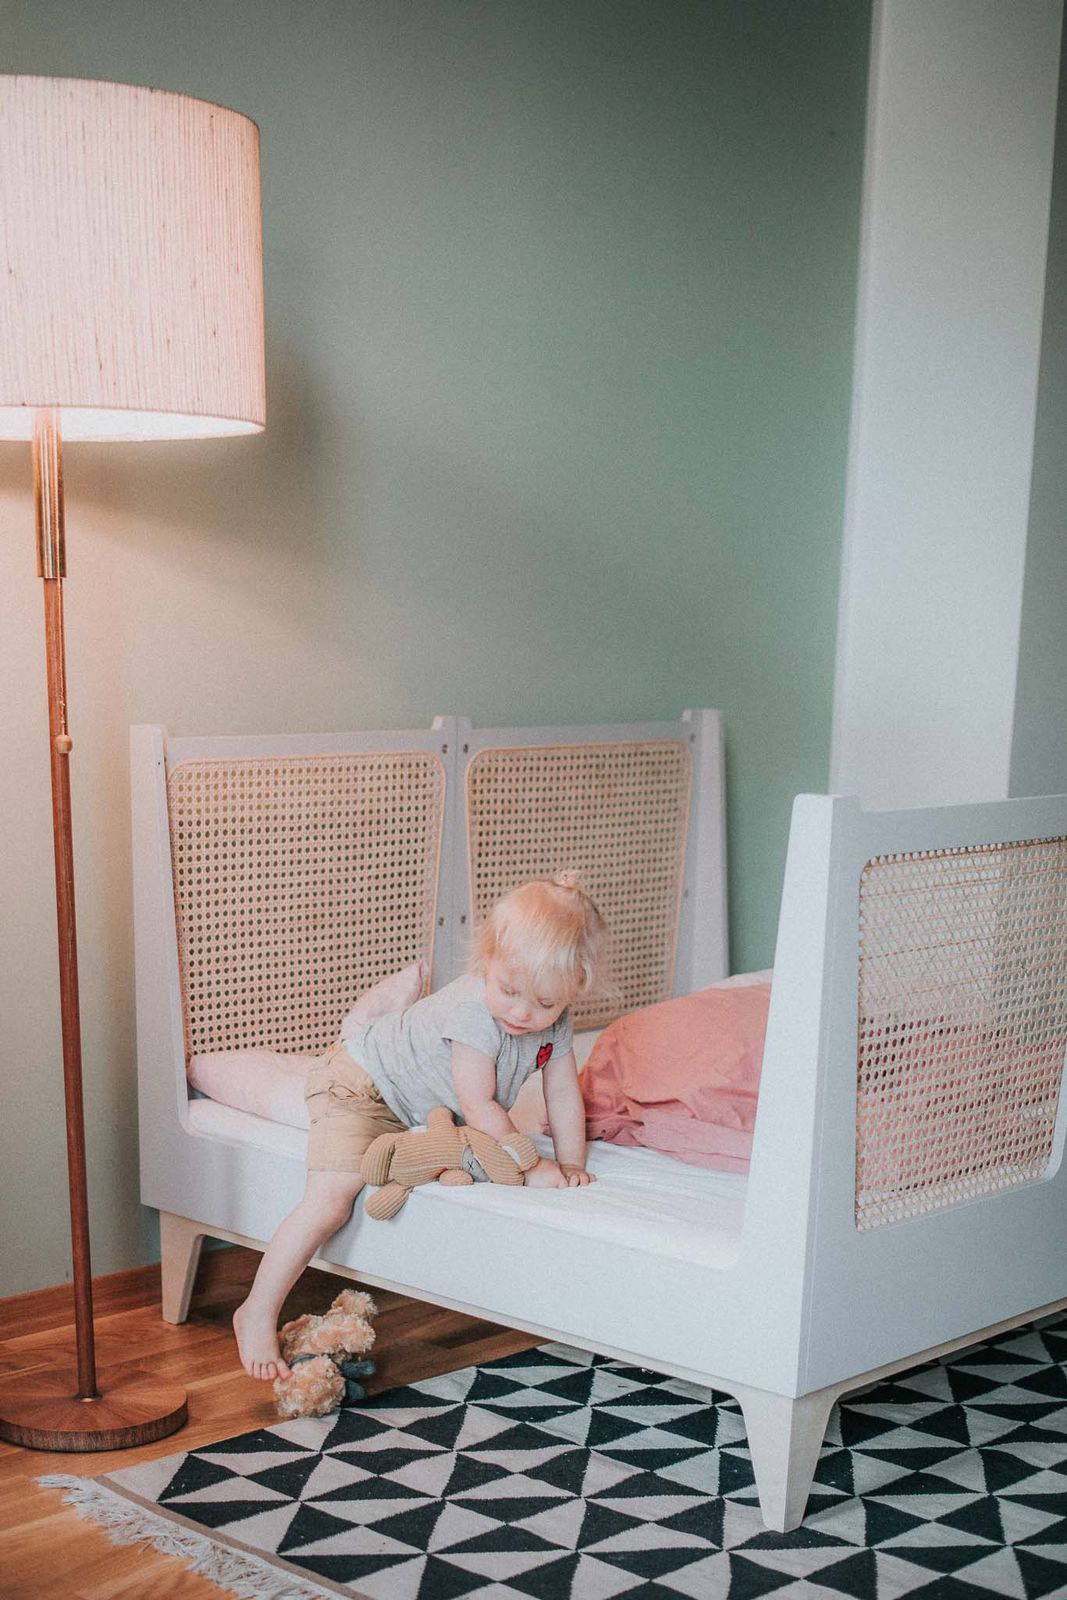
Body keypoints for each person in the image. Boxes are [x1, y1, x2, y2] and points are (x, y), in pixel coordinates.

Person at [234, 873, 609, 1379]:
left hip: (417, 1108)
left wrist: (571, 1162)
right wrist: (535, 1164)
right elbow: (478, 1105)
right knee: (331, 1199)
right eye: (510, 990)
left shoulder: (553, 1021)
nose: (523, 1012)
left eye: (545, 1003)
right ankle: (256, 1310)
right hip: (360, 1086)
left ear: (574, 989)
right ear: (486, 961)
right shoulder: (474, 1011)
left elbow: (562, 1090)